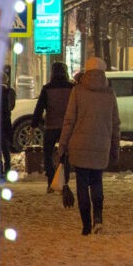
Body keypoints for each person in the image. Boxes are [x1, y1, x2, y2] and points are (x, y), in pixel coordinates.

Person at [55, 57, 120, 236]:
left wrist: (62, 146)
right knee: (97, 182)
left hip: (79, 145)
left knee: (82, 184)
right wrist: (115, 147)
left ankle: (85, 225)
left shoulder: (77, 91)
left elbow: (69, 121)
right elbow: (115, 124)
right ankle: (98, 219)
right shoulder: (109, 94)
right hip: (101, 145)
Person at [33, 62, 74, 189]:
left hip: (51, 126)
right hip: (67, 127)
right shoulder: (72, 88)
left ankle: (51, 180)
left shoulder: (47, 88)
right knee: (65, 154)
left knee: (48, 154)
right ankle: (64, 180)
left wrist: (34, 124)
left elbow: (39, 108)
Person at [0, 66, 17, 180]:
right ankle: (7, 169)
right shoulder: (10, 92)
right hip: (5, 122)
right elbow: (10, 106)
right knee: (5, 148)